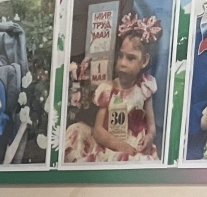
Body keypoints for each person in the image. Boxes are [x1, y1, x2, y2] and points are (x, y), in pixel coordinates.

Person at [63, 15, 162, 163]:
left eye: (130, 58)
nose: (122, 63)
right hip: (110, 144)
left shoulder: (144, 88)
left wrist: (149, 136)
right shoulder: (108, 89)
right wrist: (120, 146)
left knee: (136, 161)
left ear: (144, 61)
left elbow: (151, 125)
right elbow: (98, 131)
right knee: (75, 132)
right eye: (120, 56)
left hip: (134, 145)